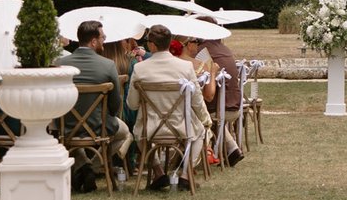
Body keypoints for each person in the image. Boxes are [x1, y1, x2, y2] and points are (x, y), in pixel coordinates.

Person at [127, 25, 210, 190]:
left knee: (138, 133)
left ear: (151, 45)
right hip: (181, 127)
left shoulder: (139, 68)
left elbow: (132, 104)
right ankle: (185, 175)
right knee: (200, 130)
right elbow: (196, 100)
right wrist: (205, 119)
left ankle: (158, 172)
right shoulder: (185, 67)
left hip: (150, 129)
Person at [57, 20, 130, 171]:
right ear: (93, 41)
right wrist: (108, 116)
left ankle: (82, 166)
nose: (105, 40)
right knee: (124, 133)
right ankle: (93, 167)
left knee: (69, 133)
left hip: (65, 125)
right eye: (103, 37)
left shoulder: (59, 63)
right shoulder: (108, 65)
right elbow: (115, 104)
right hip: (98, 125)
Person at [191, 20, 245, 166]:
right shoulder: (225, 49)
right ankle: (231, 147)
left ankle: (192, 157)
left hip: (220, 108)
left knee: (193, 109)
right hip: (236, 105)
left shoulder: (202, 51)